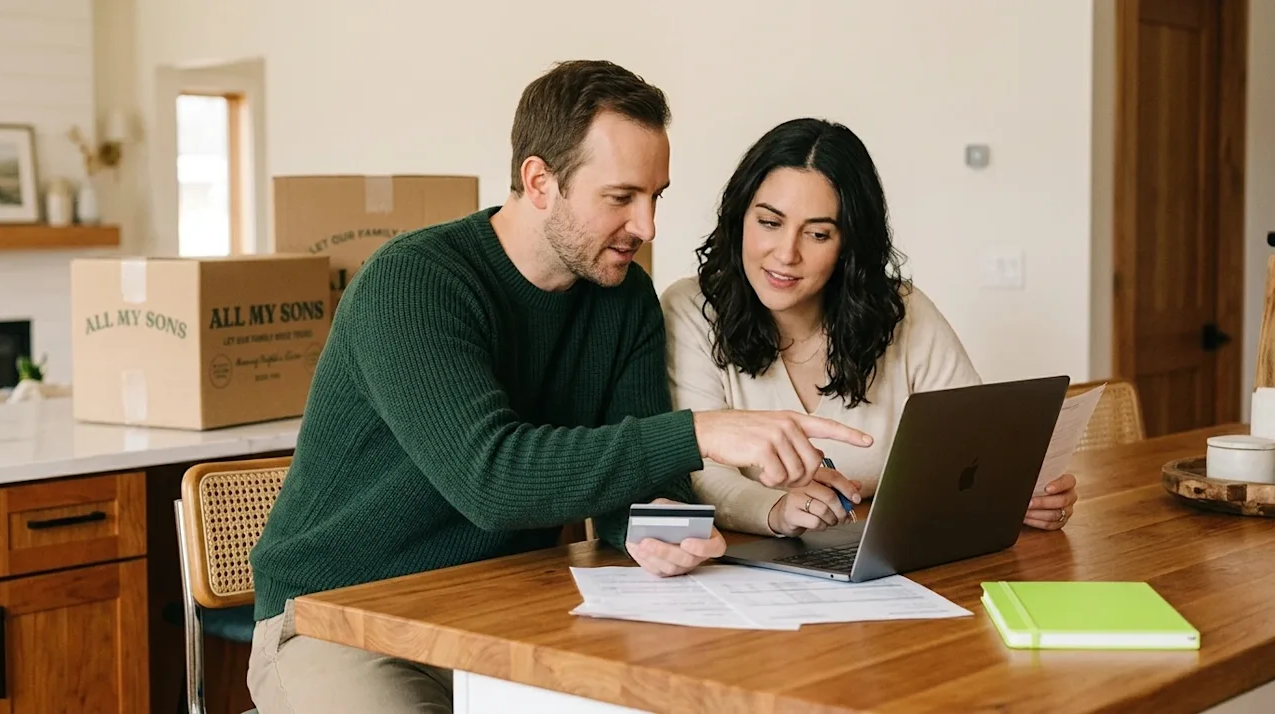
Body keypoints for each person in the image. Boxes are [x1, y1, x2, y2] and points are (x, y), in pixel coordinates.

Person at [245, 65, 872, 714]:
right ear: (540, 182)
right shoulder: (413, 283)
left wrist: (670, 531)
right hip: (337, 621)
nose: (648, 226)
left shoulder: (624, 301)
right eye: (621, 197)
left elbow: (634, 495)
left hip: (501, 616)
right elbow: (491, 478)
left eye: (656, 196)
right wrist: (702, 432)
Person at [662, 117, 1079, 538]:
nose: (786, 254)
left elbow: (975, 441)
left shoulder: (902, 310)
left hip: (891, 549)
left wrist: (1018, 490)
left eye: (818, 234)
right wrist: (777, 510)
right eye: (770, 223)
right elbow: (697, 468)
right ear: (739, 219)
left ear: (849, 246)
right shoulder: (691, 309)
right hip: (743, 570)